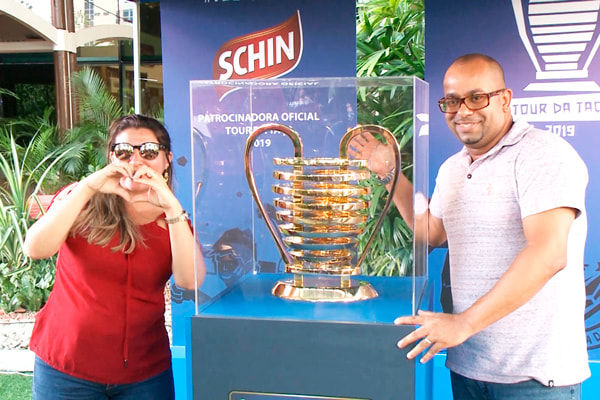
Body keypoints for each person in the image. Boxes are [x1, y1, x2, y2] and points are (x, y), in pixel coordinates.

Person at [349, 53, 589, 399]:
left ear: (505, 100)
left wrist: (463, 324)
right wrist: (392, 174)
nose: (462, 111)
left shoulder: (542, 154)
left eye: (477, 98)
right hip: (469, 366)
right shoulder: (453, 168)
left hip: (535, 378)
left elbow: (548, 253)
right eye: (451, 101)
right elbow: (429, 230)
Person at [23, 114, 206, 399]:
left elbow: (190, 280)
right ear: (111, 158)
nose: (136, 161)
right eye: (123, 152)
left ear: (167, 159)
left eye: (147, 151)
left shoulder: (173, 218)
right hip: (67, 368)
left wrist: (171, 208)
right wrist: (87, 187)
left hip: (144, 373)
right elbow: (35, 248)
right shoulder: (80, 200)